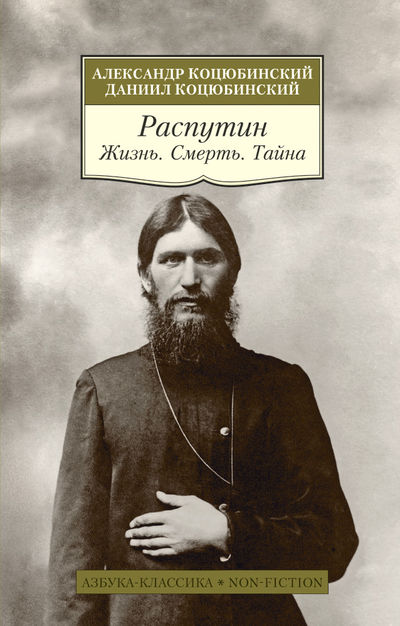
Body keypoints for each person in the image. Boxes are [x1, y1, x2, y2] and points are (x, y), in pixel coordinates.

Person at [47, 194, 358, 625]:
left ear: (233, 272)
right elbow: (73, 576)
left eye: (207, 258)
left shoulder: (282, 387)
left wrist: (227, 533)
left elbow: (333, 548)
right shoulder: (103, 389)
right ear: (145, 276)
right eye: (171, 260)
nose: (190, 279)